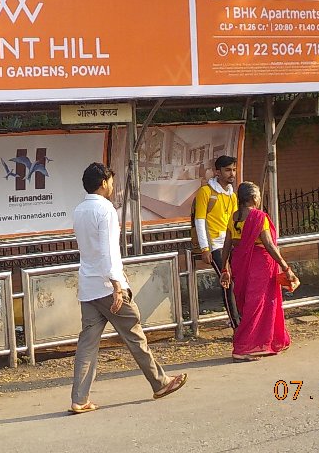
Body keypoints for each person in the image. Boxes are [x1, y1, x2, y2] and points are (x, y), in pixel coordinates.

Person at [69, 162, 187, 413]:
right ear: (103, 183)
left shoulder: (79, 210)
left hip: (88, 286)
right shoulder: (106, 210)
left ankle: (79, 399)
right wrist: (116, 285)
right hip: (107, 286)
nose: (112, 186)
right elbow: (109, 250)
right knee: (134, 335)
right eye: (111, 182)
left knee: (87, 344)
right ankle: (160, 382)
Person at [219, 182, 297, 362]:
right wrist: (286, 267)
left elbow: (227, 245)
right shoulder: (259, 217)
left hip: (239, 265)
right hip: (260, 266)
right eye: (259, 195)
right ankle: (243, 348)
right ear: (254, 198)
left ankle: (265, 342)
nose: (260, 198)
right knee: (257, 307)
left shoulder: (233, 217)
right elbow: (269, 244)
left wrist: (225, 268)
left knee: (250, 306)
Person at [191, 155, 240, 328]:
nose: (232, 174)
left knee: (238, 280)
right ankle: (236, 325)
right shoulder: (205, 192)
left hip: (229, 243)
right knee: (227, 282)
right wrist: (205, 248)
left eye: (233, 170)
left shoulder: (232, 195)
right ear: (217, 172)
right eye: (227, 170)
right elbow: (200, 220)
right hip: (214, 245)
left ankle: (239, 319)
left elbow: (234, 222)